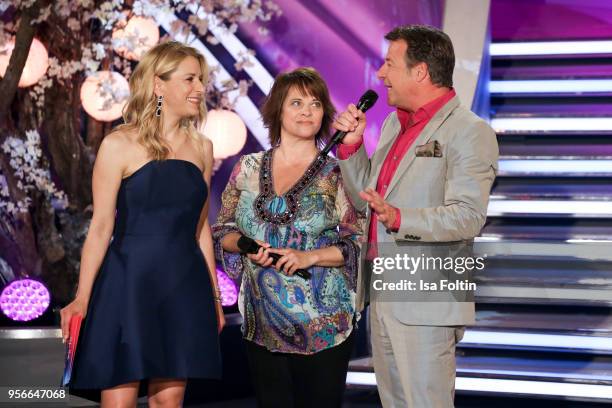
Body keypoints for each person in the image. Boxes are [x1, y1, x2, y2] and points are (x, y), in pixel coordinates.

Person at [333, 25, 499, 407]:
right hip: (383, 293)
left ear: (420, 71)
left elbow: (467, 216)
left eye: (389, 63)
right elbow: (365, 203)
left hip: (427, 298)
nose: (380, 74)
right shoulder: (394, 123)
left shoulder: (470, 133)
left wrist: (398, 217)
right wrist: (353, 148)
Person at [60, 41, 223, 406]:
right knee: (118, 398)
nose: (199, 88)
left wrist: (213, 296)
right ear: (159, 85)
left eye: (201, 80)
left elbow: (200, 229)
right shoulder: (119, 144)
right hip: (128, 283)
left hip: (184, 286)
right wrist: (83, 297)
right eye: (190, 79)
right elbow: (101, 227)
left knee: (169, 401)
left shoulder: (203, 147)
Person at [212, 67, 365, 408]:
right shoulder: (247, 167)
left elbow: (356, 240)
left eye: (315, 103)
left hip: (325, 324)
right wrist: (249, 248)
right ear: (278, 109)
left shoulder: (337, 173)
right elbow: (223, 231)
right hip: (260, 321)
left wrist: (309, 257)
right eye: (296, 102)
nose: (307, 111)